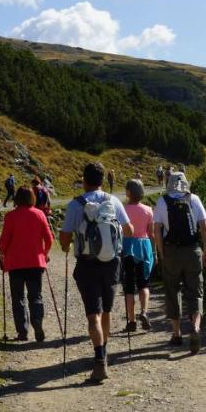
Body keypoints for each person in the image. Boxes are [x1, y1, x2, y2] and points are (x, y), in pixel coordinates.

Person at [60, 162, 129, 383]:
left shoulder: (76, 204)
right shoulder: (114, 200)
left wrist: (68, 246)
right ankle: (104, 350)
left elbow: (64, 238)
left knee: (93, 314)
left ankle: (99, 359)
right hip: (111, 262)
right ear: (102, 180)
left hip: (88, 263)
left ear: (84, 180)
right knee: (106, 311)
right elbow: (129, 230)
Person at [153, 171, 206, 353]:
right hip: (193, 250)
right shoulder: (194, 199)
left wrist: (162, 254)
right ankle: (195, 326)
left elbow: (156, 230)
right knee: (196, 290)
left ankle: (177, 334)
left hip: (172, 251)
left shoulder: (162, 201)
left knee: (172, 290)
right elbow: (204, 228)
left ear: (169, 182)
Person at [0, 186, 53, 342]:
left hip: (15, 263)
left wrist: (2, 255)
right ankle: (37, 322)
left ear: (16, 198)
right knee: (35, 295)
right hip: (36, 262)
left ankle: (22, 332)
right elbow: (49, 239)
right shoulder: (39, 214)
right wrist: (45, 254)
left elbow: (3, 243)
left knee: (18, 298)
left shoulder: (10, 216)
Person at [121, 178, 155, 331]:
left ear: (128, 192)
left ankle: (132, 321)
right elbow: (152, 233)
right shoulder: (148, 210)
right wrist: (155, 252)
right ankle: (144, 312)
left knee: (128, 286)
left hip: (127, 246)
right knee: (144, 283)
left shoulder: (122, 209)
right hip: (143, 247)